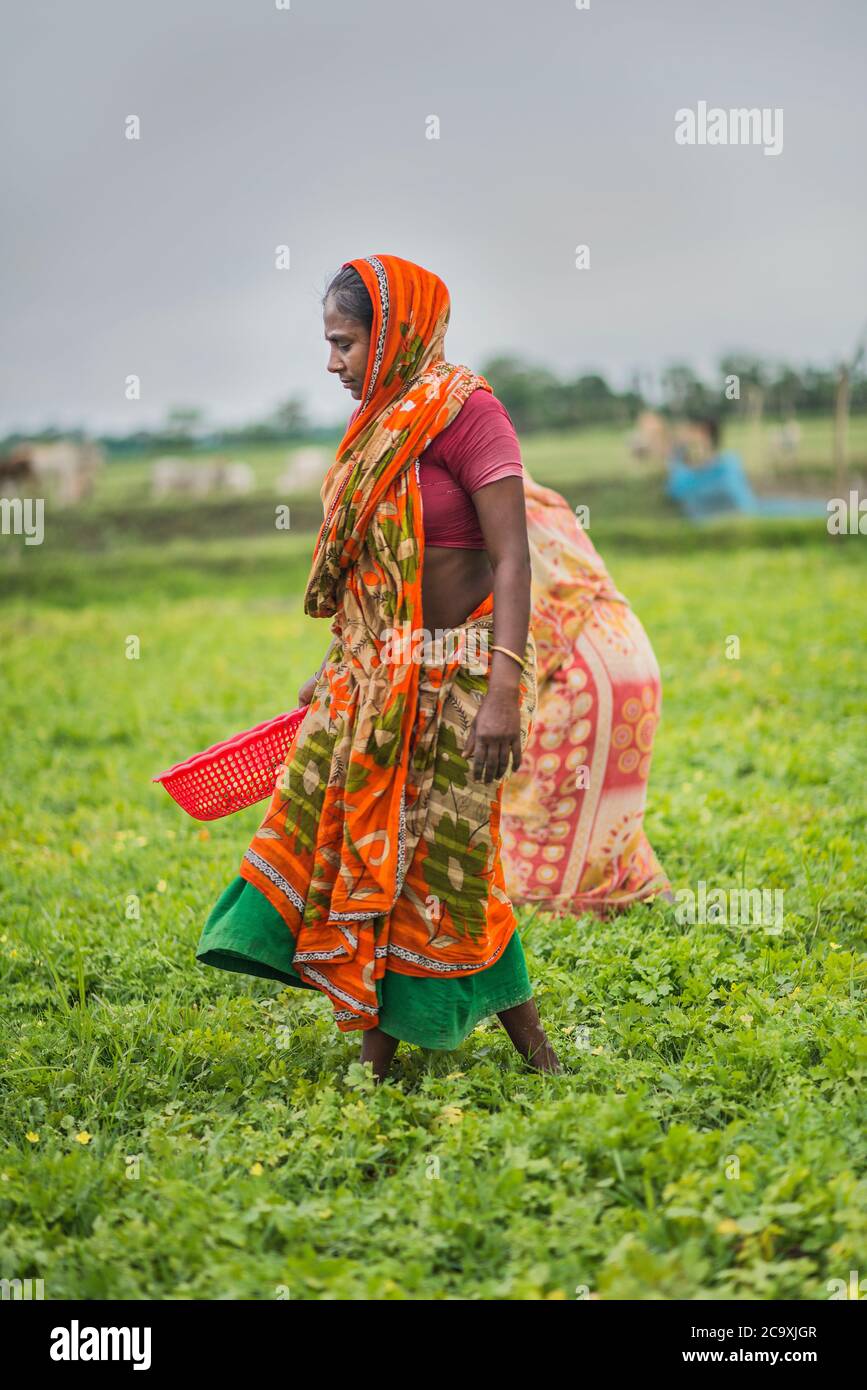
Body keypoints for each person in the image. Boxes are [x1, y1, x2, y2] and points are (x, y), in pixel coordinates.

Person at [196, 253, 560, 1080]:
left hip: (467, 673)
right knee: (381, 852)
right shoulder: (376, 425)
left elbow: (512, 560)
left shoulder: (467, 414)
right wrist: (338, 664)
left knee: (446, 862)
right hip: (377, 676)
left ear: (393, 333)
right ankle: (502, 1057)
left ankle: (391, 1068)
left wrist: (503, 692)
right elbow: (372, 572)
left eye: (345, 343)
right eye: (329, 344)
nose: (333, 363)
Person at [501, 475, 671, 914]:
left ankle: (572, 904)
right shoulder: (532, 493)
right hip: (629, 651)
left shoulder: (473, 499)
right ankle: (633, 893)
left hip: (579, 670)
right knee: (603, 815)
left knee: (528, 821)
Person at [666, 417, 827, 521]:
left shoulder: (726, 465)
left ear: (704, 434)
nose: (686, 438)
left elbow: (734, 498)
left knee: (805, 510)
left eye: (691, 432)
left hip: (747, 513)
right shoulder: (689, 471)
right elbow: (677, 491)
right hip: (742, 514)